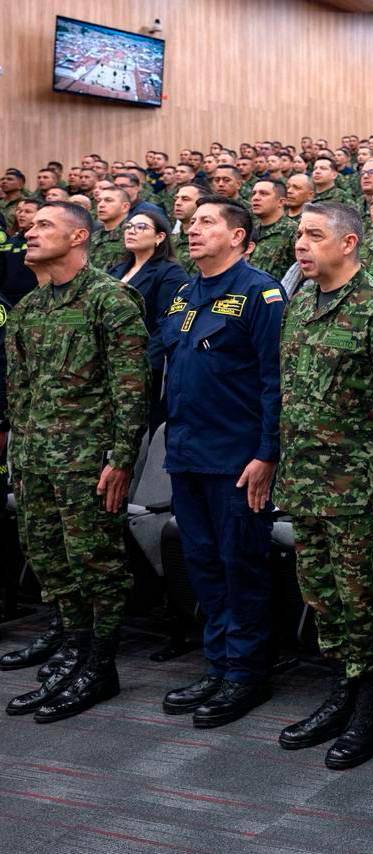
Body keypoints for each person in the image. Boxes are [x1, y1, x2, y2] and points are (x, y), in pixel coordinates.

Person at [3, 201, 149, 722]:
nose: (30, 232)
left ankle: (100, 665)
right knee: (50, 559)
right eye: (31, 225)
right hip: (38, 458)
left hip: (88, 461)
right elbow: (18, 392)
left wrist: (122, 457)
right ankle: (73, 646)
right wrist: (19, 452)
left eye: (45, 225)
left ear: (79, 236)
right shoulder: (30, 308)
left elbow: (131, 389)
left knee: (96, 563)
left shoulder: (111, 301)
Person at [276, 202, 373, 768]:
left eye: (314, 235)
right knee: (323, 595)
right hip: (304, 479)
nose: (301, 245)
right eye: (299, 234)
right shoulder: (301, 301)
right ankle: (343, 690)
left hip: (356, 485)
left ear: (348, 243)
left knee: (364, 599)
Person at [159, 197, 285, 729]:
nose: (192, 229)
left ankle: (246, 671)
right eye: (190, 223)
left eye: (207, 222)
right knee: (204, 565)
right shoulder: (187, 293)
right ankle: (217, 664)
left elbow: (275, 380)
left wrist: (267, 453)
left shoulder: (262, 291)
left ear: (238, 236)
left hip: (237, 460)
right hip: (187, 454)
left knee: (241, 566)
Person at [110, 210, 189, 432]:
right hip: (109, 359)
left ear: (160, 237)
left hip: (142, 364)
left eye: (141, 227)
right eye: (128, 226)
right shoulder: (117, 270)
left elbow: (166, 323)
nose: (132, 231)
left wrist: (143, 363)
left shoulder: (169, 272)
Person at [248, 179, 298, 281]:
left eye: (263, 194)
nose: (255, 198)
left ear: (281, 202)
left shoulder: (292, 231)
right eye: (254, 193)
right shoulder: (250, 229)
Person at [0, 198, 42, 305]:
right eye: (19, 211)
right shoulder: (11, 240)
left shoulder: (43, 240)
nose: (21, 215)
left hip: (34, 298)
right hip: (7, 299)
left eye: (27, 212)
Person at [90, 186, 131, 272]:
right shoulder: (94, 236)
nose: (101, 205)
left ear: (125, 207)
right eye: (98, 201)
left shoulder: (131, 235)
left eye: (108, 200)